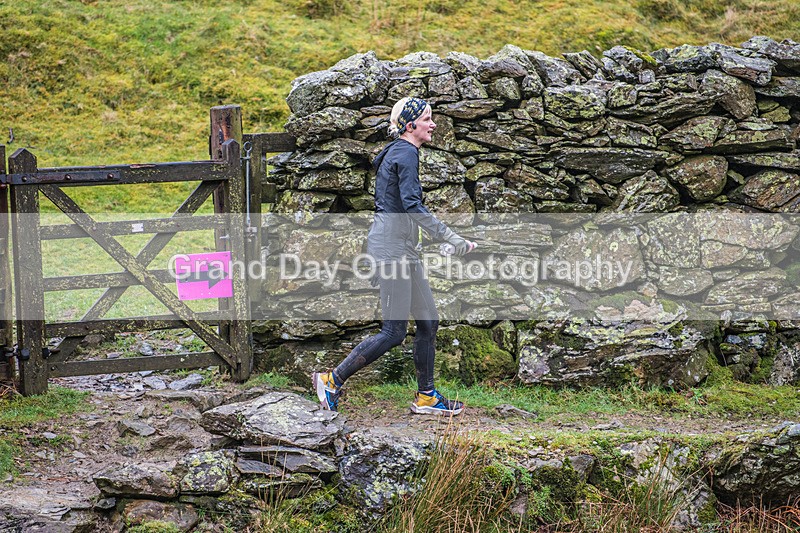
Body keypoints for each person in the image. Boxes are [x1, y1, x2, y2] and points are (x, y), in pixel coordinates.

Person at [312, 96, 475, 416]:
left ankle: (427, 397)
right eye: (428, 119)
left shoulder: (401, 152)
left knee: (429, 322)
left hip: (402, 249)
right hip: (392, 252)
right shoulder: (405, 153)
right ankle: (331, 379)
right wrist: (450, 236)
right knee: (393, 331)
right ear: (411, 125)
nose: (434, 124)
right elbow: (413, 206)